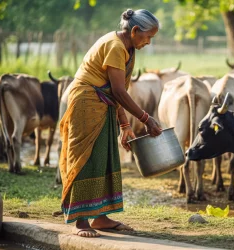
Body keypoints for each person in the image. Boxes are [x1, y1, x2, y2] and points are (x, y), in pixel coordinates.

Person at [59, 9, 162, 238]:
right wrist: (145, 118)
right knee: (85, 158)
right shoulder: (115, 46)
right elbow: (117, 91)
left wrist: (125, 126)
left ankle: (101, 217)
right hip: (85, 102)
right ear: (135, 30)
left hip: (104, 103)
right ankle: (81, 220)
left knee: (105, 156)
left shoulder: (129, 48)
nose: (149, 42)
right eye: (148, 37)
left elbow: (119, 91)